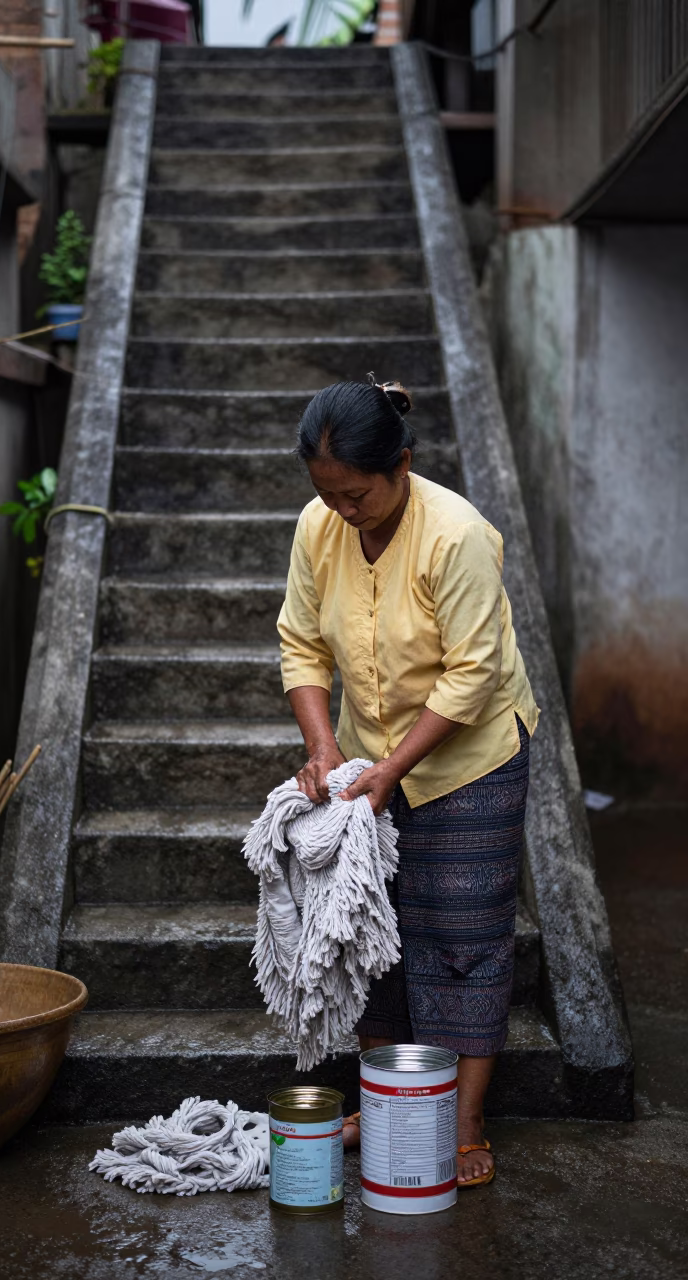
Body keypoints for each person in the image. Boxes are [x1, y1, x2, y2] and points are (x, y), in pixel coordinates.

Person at [277, 377, 539, 1189]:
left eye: (356, 495)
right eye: (328, 496)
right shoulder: (319, 527)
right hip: (368, 758)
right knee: (372, 938)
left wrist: (394, 769)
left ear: (402, 466)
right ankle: (392, 1100)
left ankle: (461, 1119)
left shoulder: (455, 534)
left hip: (470, 760)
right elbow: (301, 644)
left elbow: (472, 676)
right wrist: (324, 747)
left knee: (463, 938)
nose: (343, 512)